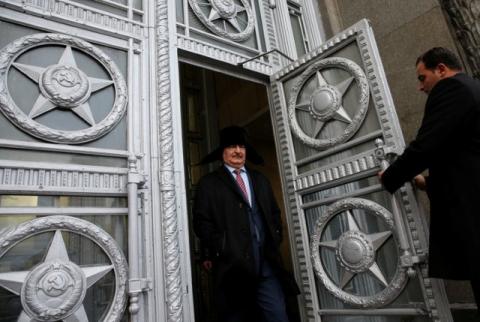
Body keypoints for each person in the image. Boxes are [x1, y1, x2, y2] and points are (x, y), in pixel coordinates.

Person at [379, 47, 480, 312]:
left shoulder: (452, 90)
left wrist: (390, 176)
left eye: (422, 78)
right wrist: (428, 183)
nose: (420, 87)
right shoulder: (473, 88)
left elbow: (426, 145)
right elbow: (466, 154)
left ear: (441, 70)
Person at [193, 126, 298, 322]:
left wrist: (275, 238)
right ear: (222, 151)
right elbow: (201, 223)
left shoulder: (260, 180)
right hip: (232, 269)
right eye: (232, 146)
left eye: (241, 146)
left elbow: (274, 214)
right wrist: (223, 246)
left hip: (266, 266)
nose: (238, 151)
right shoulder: (209, 184)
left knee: (278, 315)